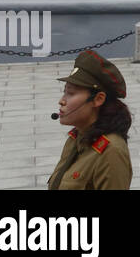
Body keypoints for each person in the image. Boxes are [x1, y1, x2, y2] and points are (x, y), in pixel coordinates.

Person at [48, 49, 133, 190]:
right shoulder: (76, 138)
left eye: (71, 93)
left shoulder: (111, 152)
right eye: (64, 92)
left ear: (98, 99)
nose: (62, 101)